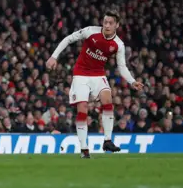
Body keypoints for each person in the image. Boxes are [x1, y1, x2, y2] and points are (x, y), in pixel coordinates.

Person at [46, 10, 143, 159]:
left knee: (107, 99)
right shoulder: (90, 31)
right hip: (80, 74)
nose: (107, 25)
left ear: (117, 25)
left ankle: (108, 140)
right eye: (105, 22)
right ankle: (84, 149)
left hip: (98, 74)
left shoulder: (118, 45)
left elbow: (122, 67)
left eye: (111, 23)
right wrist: (54, 56)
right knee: (82, 109)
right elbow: (68, 39)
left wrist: (132, 81)